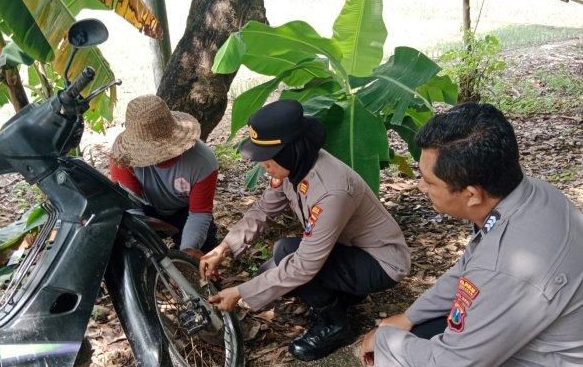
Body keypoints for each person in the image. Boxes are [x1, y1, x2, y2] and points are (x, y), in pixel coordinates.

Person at [360, 103, 583, 367]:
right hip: (542, 327)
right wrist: (411, 316)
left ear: (472, 194)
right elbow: (468, 266)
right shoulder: (532, 193)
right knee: (420, 330)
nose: (420, 186)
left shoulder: (503, 269)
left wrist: (383, 341)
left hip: (546, 358)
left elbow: (450, 363)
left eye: (429, 181)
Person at [199, 99, 411, 361]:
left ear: (291, 151)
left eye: (268, 159)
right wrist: (225, 248)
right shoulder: (295, 168)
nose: (264, 166)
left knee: (289, 256)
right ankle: (343, 295)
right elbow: (263, 210)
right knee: (283, 256)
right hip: (349, 249)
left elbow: (305, 265)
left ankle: (335, 325)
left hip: (381, 263)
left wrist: (241, 292)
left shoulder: (331, 190)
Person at [110, 94, 219, 259]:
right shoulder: (124, 158)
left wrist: (187, 253)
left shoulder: (202, 161)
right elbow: (130, 208)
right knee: (126, 249)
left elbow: (199, 213)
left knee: (205, 247)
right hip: (144, 209)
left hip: (184, 210)